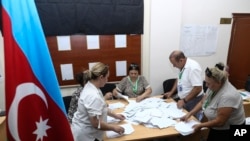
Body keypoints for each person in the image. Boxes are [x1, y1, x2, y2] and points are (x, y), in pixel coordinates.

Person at [180, 64, 245, 141]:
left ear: (219, 82)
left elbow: (220, 122)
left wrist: (200, 125)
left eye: (208, 83)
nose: (206, 86)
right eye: (205, 82)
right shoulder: (213, 86)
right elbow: (202, 102)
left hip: (230, 130)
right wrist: (189, 114)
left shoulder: (228, 95)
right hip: (216, 127)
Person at [71, 62, 125, 141]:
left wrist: (115, 116)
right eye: (107, 77)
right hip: (86, 134)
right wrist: (113, 127)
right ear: (101, 77)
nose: (107, 80)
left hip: (86, 130)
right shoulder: (93, 96)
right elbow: (96, 124)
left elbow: (102, 107)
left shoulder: (92, 86)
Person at [163, 50, 203, 119]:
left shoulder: (193, 68)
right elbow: (179, 79)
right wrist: (171, 92)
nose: (173, 66)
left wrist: (184, 101)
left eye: (174, 64)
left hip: (193, 101)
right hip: (185, 100)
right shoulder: (182, 65)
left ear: (181, 60)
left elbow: (198, 88)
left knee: (192, 121)